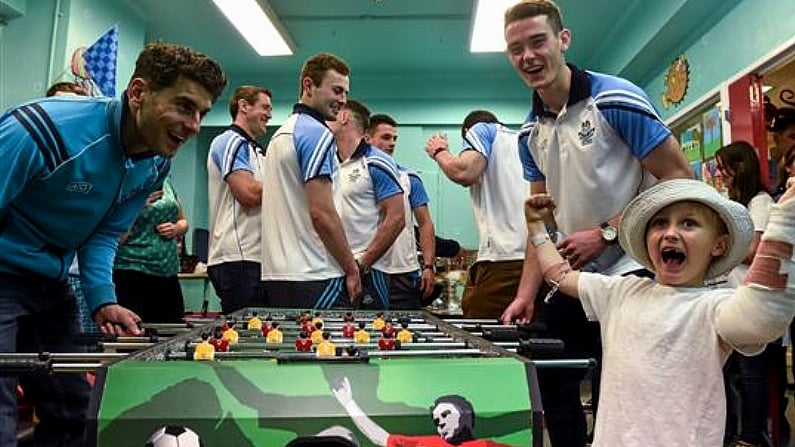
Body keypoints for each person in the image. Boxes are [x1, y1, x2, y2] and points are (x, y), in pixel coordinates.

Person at [0, 42, 226, 446]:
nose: (193, 125)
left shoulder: (156, 162)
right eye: (184, 106)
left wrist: (103, 299)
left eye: (202, 114)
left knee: (76, 417)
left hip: (50, 284)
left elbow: (104, 233)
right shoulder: (38, 131)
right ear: (138, 93)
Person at [499, 1, 693, 445]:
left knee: (621, 396)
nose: (528, 56)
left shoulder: (614, 98)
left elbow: (679, 179)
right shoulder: (529, 133)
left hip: (636, 272)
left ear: (563, 41)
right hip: (575, 281)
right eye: (516, 49)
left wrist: (607, 233)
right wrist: (527, 293)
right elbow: (539, 220)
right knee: (552, 380)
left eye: (537, 42)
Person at [524, 178, 795, 446]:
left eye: (689, 223)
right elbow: (557, 275)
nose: (670, 233)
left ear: (719, 245)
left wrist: (787, 217)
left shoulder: (715, 307)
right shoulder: (619, 292)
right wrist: (537, 228)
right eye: (660, 223)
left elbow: (763, 316)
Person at [260, 53, 362, 308]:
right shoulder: (318, 135)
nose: (343, 100)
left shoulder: (282, 134)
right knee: (331, 349)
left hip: (278, 276)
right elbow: (322, 214)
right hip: (316, 275)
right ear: (308, 85)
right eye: (337, 90)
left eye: (346, 93)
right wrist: (351, 268)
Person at [425, 110, 529, 318]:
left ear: (467, 133)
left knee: (476, 331)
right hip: (539, 260)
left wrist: (440, 152)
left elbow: (464, 172)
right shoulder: (524, 140)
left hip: (503, 260)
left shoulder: (483, 130)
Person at [714, 142, 779, 447]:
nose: (720, 174)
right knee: (728, 374)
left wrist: (719, 250)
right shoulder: (735, 204)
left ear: (740, 167)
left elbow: (754, 251)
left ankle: (751, 438)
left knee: (752, 374)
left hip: (751, 299)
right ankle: (729, 434)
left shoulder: (761, 202)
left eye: (724, 167)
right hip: (729, 299)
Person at [330, 100, 405, 310]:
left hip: (368, 271)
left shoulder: (376, 160)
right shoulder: (331, 162)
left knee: (371, 338)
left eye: (333, 113)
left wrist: (362, 264)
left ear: (343, 117)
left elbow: (397, 218)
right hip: (335, 268)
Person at [207, 85, 272, 313]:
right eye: (265, 107)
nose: (270, 114)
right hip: (236, 258)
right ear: (244, 106)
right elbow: (248, 194)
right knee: (243, 336)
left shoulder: (258, 151)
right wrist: (289, 186)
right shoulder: (230, 141)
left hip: (255, 258)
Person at [366, 114, 437, 306]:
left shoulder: (409, 177)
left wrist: (429, 266)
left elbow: (425, 224)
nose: (392, 143)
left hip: (405, 272)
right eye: (386, 137)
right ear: (367, 138)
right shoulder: (351, 174)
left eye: (394, 138)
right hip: (369, 269)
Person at [332, 377, 513, 447]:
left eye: (445, 415)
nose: (440, 422)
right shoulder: (427, 443)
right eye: (436, 420)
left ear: (465, 415)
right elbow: (380, 437)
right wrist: (349, 403)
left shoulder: (488, 446)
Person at [113, 177, 188, 323]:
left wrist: (176, 228)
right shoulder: (125, 180)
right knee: (134, 333)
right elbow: (116, 237)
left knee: (173, 329)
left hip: (167, 270)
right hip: (131, 269)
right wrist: (136, 206)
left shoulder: (166, 181)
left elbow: (183, 221)